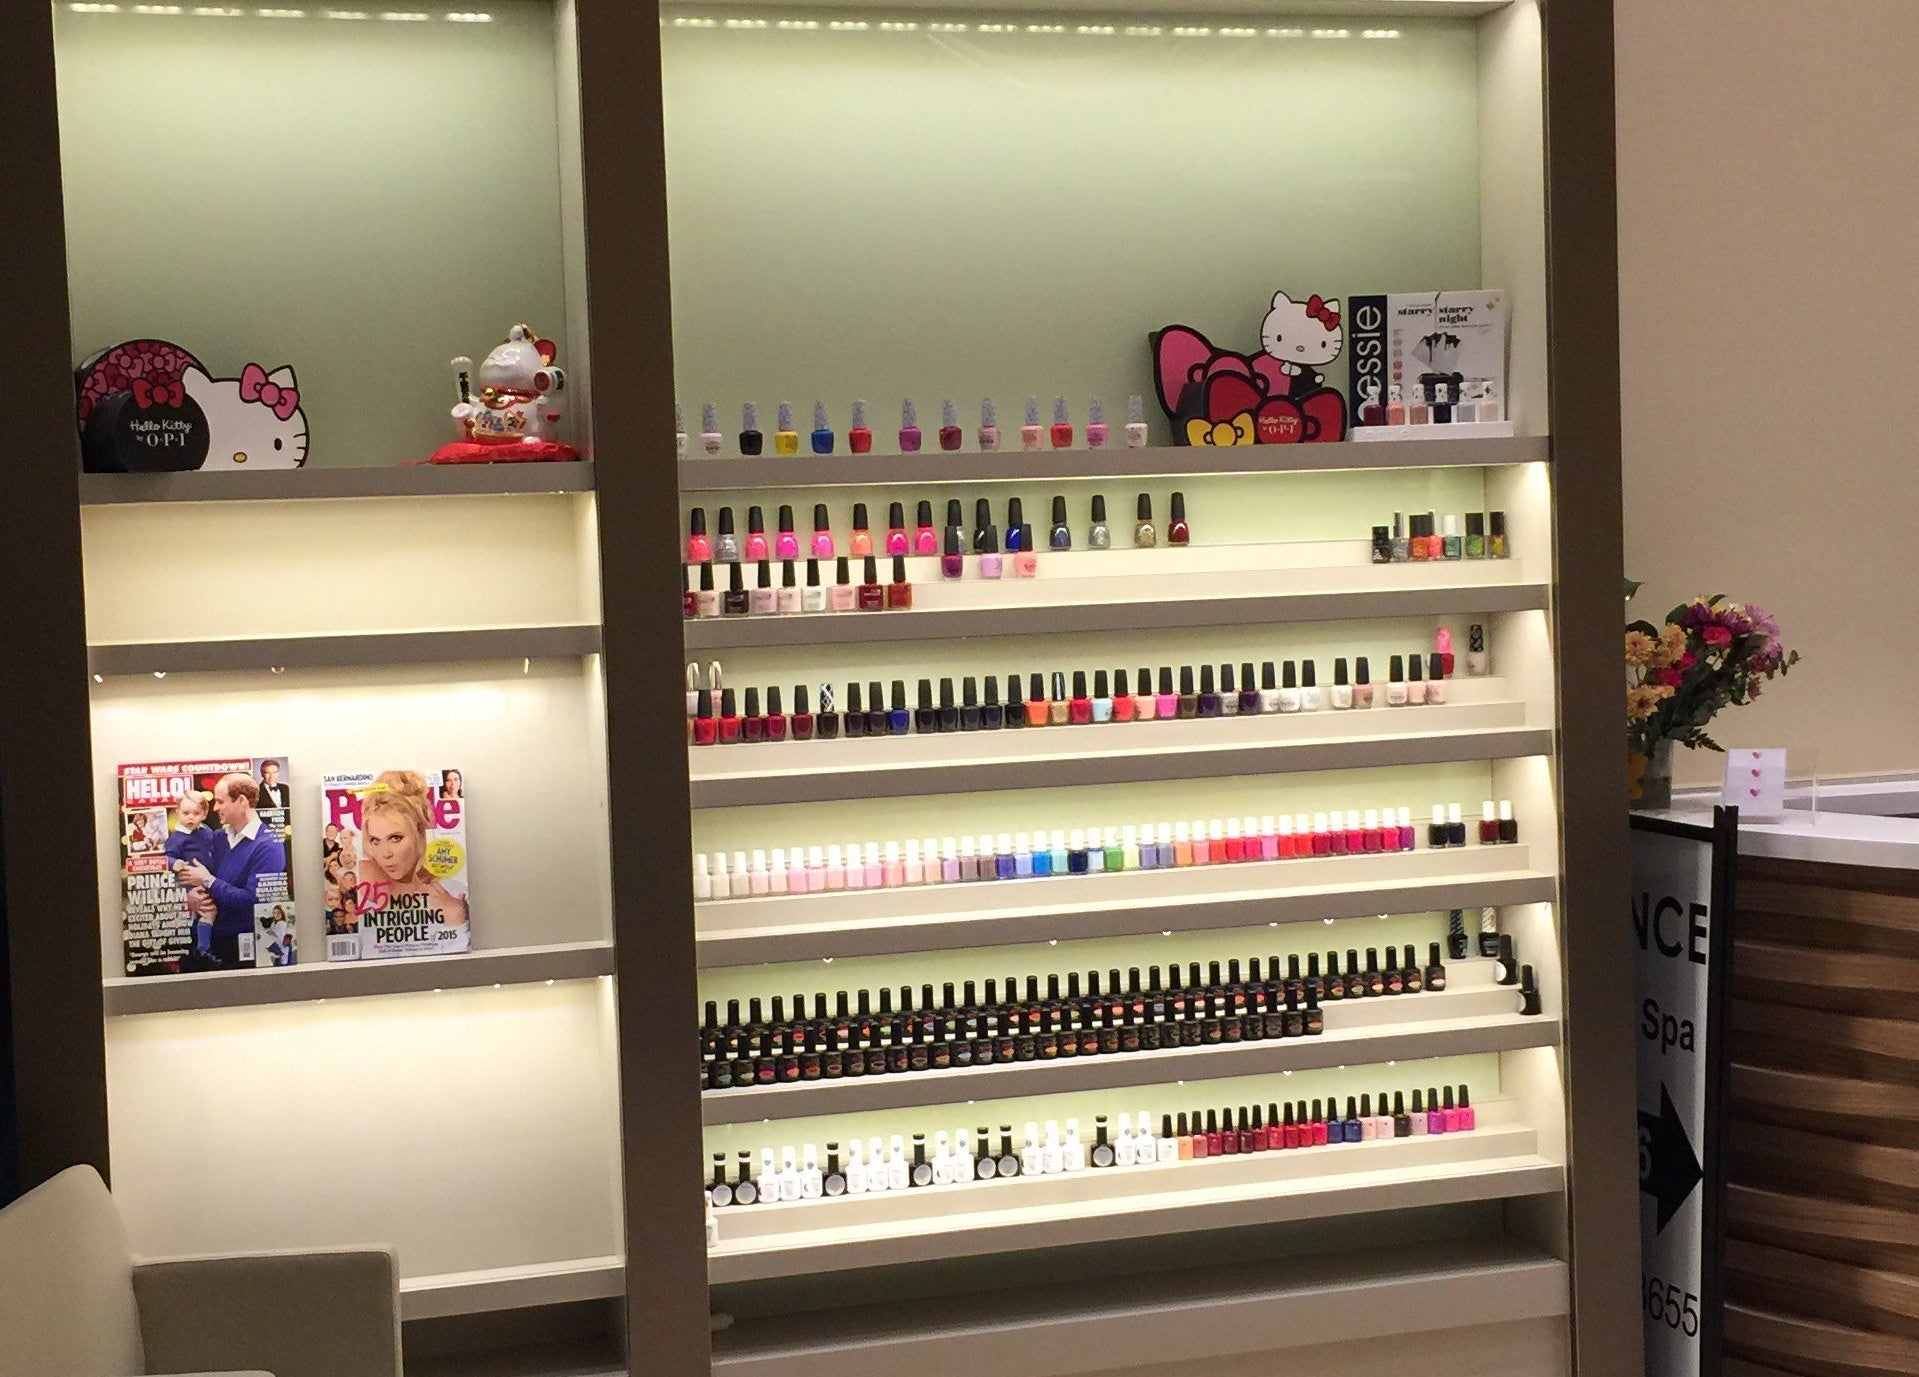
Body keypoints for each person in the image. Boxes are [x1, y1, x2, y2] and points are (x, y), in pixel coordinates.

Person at [174, 772, 289, 969]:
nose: (215, 808)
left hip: (240, 954)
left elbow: (254, 902)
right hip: (201, 946)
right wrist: (190, 896)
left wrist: (209, 881)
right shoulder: (217, 837)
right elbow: (189, 872)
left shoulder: (269, 845)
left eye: (220, 801)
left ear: (242, 801)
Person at [355, 770, 467, 939]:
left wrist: (456, 916)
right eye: (375, 841)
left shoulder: (453, 891)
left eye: (395, 838)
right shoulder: (358, 880)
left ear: (419, 832)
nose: (385, 854)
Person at [164, 789, 219, 956]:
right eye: (186, 813)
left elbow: (213, 848)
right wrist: (174, 863)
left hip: (206, 878)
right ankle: (203, 947)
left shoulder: (206, 831)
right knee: (208, 911)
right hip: (188, 881)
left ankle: (200, 945)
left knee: (205, 912)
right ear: (178, 812)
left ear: (204, 814)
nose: (190, 817)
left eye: (196, 813)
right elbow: (166, 857)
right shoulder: (176, 838)